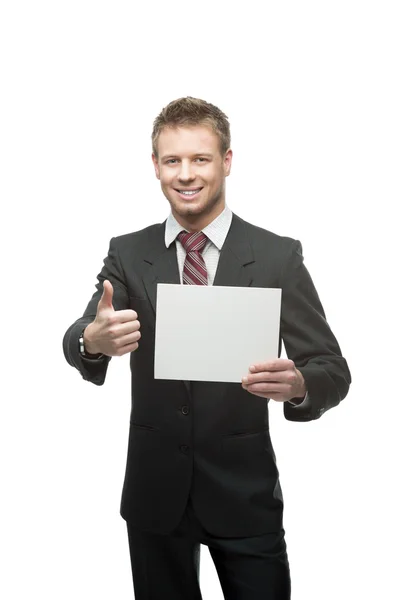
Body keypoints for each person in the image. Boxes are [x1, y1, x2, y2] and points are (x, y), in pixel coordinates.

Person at [63, 96, 351, 600]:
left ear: (227, 162)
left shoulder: (277, 256)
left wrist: (302, 385)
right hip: (155, 496)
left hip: (245, 495)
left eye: (201, 158)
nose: (186, 174)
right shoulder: (129, 253)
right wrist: (92, 340)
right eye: (172, 160)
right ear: (155, 167)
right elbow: (83, 331)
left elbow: (332, 368)